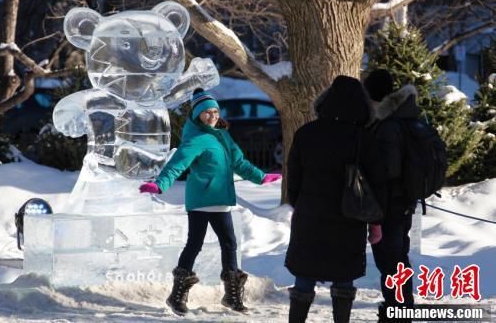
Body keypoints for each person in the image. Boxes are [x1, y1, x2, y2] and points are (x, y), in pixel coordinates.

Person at [139, 88, 282, 315]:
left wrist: (261, 177)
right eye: (207, 112)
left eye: (215, 111)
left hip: (221, 199)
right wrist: (160, 184)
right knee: (194, 244)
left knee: (229, 244)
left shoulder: (224, 136)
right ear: (197, 115)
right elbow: (177, 164)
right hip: (201, 199)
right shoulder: (195, 139)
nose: (212, 115)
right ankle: (176, 297)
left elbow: (240, 163)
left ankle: (232, 296)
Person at [285, 75, 386, 323]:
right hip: (349, 217)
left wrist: (302, 204)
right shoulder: (365, 138)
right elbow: (376, 183)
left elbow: (293, 178)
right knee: (344, 275)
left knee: (305, 275)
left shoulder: (305, 133)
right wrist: (375, 222)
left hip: (310, 215)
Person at [363, 69, 419, 322]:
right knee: (397, 256)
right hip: (405, 200)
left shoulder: (386, 125)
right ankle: (401, 307)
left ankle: (397, 310)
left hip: (388, 203)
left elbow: (387, 170)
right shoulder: (407, 116)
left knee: (389, 259)